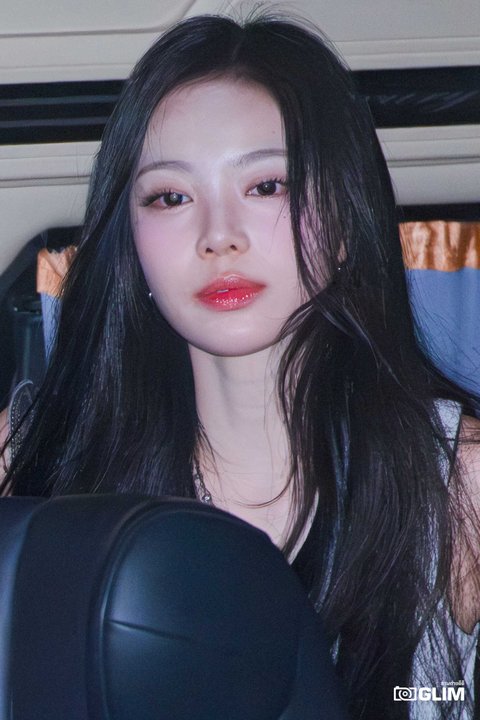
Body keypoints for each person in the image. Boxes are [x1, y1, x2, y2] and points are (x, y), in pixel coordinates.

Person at [1, 13, 479, 719]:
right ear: (131, 241)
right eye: (171, 197)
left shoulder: (457, 483)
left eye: (267, 186)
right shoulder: (31, 455)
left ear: (345, 216)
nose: (218, 236)